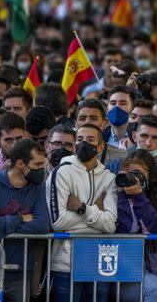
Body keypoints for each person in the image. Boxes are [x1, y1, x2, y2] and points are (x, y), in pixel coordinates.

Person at [46, 123, 118, 302]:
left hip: (99, 262)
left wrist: (82, 208)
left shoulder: (110, 178)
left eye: (90, 139)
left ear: (101, 147)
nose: (83, 143)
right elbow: (58, 222)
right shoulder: (61, 172)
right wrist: (97, 212)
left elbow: (110, 226)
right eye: (79, 139)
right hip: (65, 265)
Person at [0, 138, 50, 302]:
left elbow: (42, 225)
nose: (42, 170)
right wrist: (21, 219)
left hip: (21, 272)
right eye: (37, 165)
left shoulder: (38, 188)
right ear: (21, 164)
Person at [116, 150, 157, 302]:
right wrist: (123, 195)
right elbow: (124, 229)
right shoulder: (115, 194)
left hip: (146, 267)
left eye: (138, 173)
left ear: (150, 175)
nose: (133, 177)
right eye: (130, 172)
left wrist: (139, 196)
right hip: (119, 267)